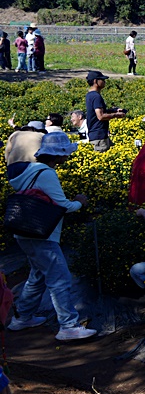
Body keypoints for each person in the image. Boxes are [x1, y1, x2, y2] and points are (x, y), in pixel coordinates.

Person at [8, 132, 96, 341]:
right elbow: (63, 206)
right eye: (65, 152)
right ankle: (68, 326)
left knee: (38, 275)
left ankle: (23, 317)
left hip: (23, 231)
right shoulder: (46, 173)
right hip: (42, 235)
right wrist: (80, 202)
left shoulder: (28, 170)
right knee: (60, 279)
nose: (68, 156)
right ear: (58, 154)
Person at [85, 71, 125, 152]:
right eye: (102, 79)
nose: (104, 81)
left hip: (96, 134)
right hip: (99, 136)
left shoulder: (90, 95)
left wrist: (114, 110)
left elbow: (97, 111)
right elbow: (101, 116)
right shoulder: (96, 96)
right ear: (95, 81)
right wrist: (116, 115)